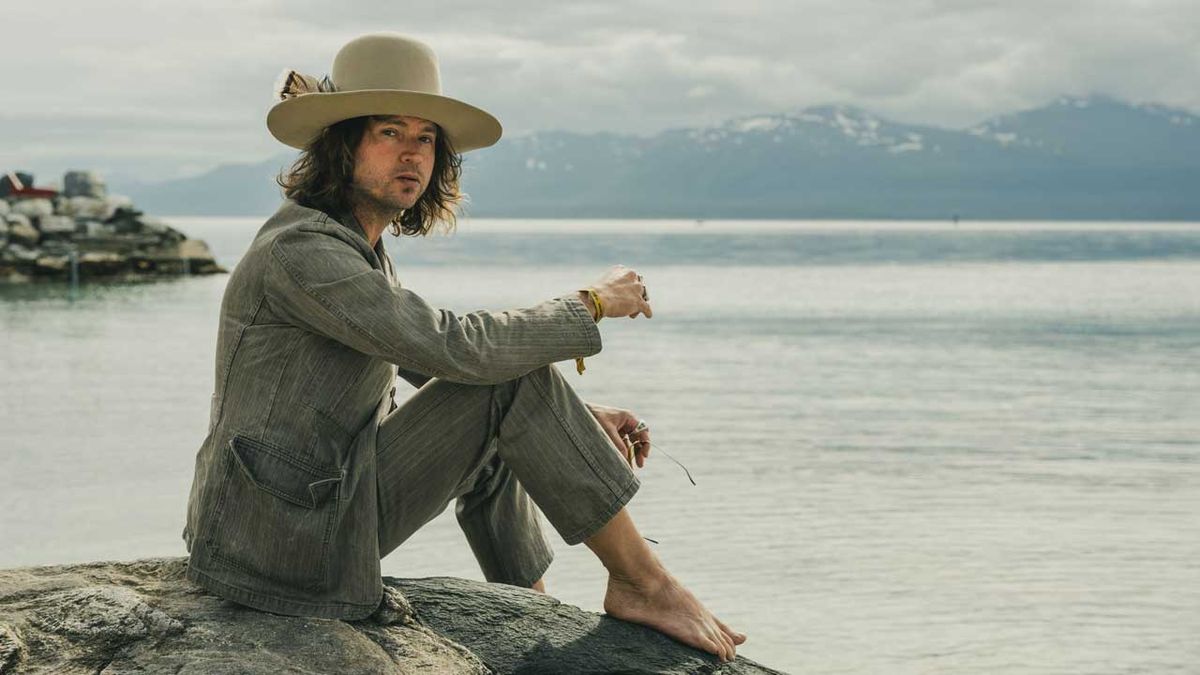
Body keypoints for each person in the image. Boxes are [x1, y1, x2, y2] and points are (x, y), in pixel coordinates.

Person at [181, 32, 746, 663]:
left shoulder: (352, 245)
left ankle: (528, 603)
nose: (412, 155)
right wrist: (588, 303)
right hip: (281, 540)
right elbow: (454, 347)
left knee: (503, 386)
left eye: (425, 138)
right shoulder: (302, 252)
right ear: (343, 145)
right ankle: (644, 583)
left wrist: (573, 418)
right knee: (502, 379)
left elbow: (427, 359)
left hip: (302, 515)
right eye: (390, 132)